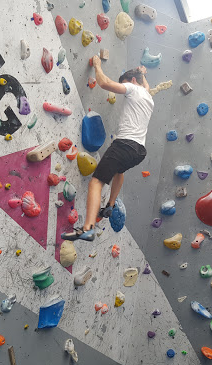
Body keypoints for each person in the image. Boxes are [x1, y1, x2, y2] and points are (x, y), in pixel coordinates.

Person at [62, 56, 154, 242]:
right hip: (139, 152)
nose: (125, 88)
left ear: (133, 82)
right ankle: (110, 204)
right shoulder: (147, 96)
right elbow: (147, 87)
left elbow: (104, 83)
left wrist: (97, 65)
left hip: (124, 144)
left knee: (96, 182)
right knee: (119, 171)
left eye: (127, 83)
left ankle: (88, 228)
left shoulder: (133, 88)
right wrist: (143, 74)